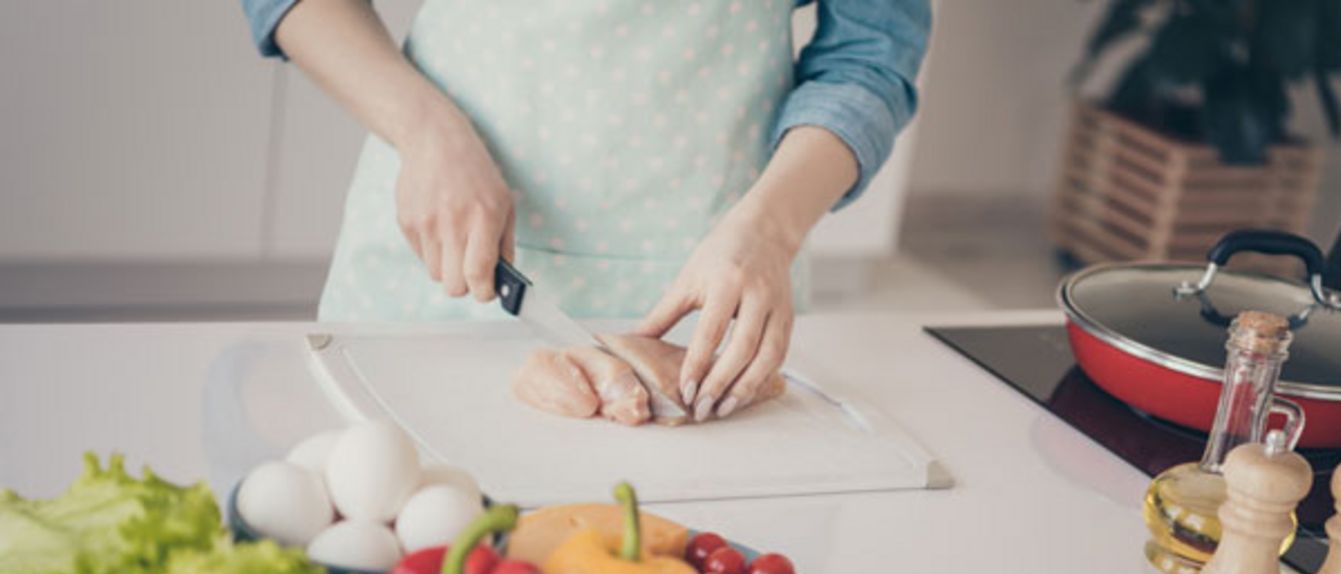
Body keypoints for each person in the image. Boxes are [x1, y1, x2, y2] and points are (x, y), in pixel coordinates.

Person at [240, 0, 930, 421]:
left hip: (706, 287)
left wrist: (772, 229)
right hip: (437, 250)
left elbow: (872, 50)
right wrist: (424, 132)